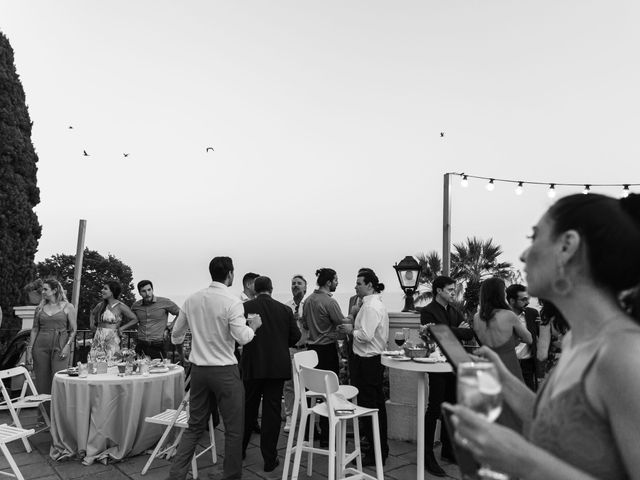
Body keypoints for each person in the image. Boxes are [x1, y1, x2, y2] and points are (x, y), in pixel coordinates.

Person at [447, 193, 640, 479]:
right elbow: (551, 423)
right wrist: (503, 378)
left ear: (566, 246)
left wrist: (521, 460)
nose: (524, 255)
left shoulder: (624, 355)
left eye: (534, 237)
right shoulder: (577, 340)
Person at [168, 256, 262, 480]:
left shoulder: (192, 299)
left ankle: (176, 474)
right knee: (234, 429)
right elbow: (242, 338)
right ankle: (231, 476)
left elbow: (175, 337)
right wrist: (254, 327)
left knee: (194, 426)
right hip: (225, 371)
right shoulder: (232, 302)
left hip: (199, 371)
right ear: (230, 274)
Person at [241, 276, 301, 472]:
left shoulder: (245, 307)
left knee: (248, 409)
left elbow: (238, 336)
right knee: (272, 413)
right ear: (271, 289)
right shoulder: (284, 310)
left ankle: (240, 451)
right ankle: (269, 458)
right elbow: (296, 337)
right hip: (276, 367)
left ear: (255, 289)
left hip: (253, 365)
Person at [420, 275, 474, 477]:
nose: (454, 293)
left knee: (452, 407)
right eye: (450, 289)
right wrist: (453, 331)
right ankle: (427, 457)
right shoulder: (427, 311)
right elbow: (435, 335)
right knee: (434, 409)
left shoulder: (454, 310)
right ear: (438, 291)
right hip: (437, 366)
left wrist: (448, 331)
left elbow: (469, 334)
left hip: (455, 364)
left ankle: (448, 450)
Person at [339, 269, 389, 466]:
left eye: (359, 283)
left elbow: (366, 335)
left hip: (367, 362)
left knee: (369, 408)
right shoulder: (371, 304)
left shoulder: (370, 307)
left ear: (370, 285)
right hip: (370, 361)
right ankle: (379, 449)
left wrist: (351, 330)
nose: (355, 286)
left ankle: (375, 453)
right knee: (376, 406)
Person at [301, 267, 352, 446]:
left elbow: (305, 324)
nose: (337, 283)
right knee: (329, 392)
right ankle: (327, 436)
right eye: (336, 280)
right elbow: (343, 324)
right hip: (326, 351)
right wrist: (354, 312)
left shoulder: (307, 301)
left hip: (311, 350)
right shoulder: (330, 302)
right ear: (328, 282)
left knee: (311, 391)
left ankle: (308, 432)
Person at [473, 277, 532, 431]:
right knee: (514, 408)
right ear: (500, 293)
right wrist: (515, 338)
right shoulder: (509, 315)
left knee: (491, 410)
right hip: (508, 365)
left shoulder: (476, 317)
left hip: (487, 366)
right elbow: (529, 338)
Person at [26, 278, 77, 394]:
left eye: (45, 289)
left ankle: (58, 411)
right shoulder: (39, 308)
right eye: (42, 289)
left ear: (54, 290)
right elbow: (34, 329)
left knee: (59, 379)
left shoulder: (68, 306)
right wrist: (29, 349)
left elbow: (73, 330)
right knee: (42, 381)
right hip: (40, 347)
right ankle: (44, 411)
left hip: (60, 345)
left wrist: (67, 346)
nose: (42, 292)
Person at [283, 274, 308, 433]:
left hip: (307, 349)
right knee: (289, 385)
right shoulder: (286, 307)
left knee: (307, 385)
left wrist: (302, 320)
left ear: (306, 287)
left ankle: (308, 417)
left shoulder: (310, 304)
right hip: (291, 349)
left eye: (299, 283)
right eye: (293, 283)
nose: (295, 285)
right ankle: (290, 416)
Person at [130, 280, 181, 359]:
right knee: (139, 370)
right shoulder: (136, 306)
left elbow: (181, 314)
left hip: (158, 345)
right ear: (139, 293)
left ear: (152, 289)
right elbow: (132, 320)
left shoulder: (164, 302)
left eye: (149, 290)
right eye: (143, 291)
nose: (147, 294)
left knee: (159, 370)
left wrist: (169, 328)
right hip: (141, 344)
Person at [89, 281, 137, 360]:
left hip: (112, 338)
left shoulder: (120, 306)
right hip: (98, 337)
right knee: (95, 361)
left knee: (111, 360)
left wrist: (122, 328)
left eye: (105, 289)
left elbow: (135, 319)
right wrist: (92, 324)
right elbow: (93, 313)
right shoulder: (100, 305)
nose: (102, 290)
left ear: (112, 292)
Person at [506, 283, 539, 391]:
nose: (528, 302)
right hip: (508, 365)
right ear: (512, 301)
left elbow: (537, 336)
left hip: (527, 365)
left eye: (527, 299)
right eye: (523, 299)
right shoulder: (502, 316)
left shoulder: (532, 314)